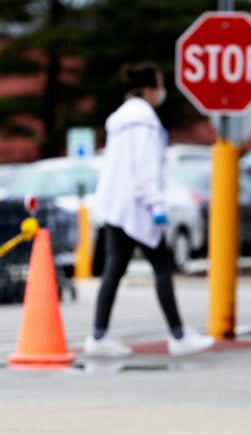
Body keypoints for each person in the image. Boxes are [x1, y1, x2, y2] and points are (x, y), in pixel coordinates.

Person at [84, 61, 214, 357]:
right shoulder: (145, 123)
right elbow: (145, 170)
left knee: (114, 268)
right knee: (162, 267)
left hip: (117, 206)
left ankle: (98, 335)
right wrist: (156, 206)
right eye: (159, 85)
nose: (161, 92)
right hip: (139, 207)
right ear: (149, 89)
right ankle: (178, 336)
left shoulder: (118, 122)